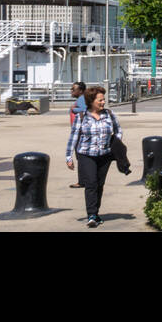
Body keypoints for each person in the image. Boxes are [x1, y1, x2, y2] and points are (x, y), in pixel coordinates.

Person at [66, 85, 121, 228]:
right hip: (86, 154)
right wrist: (68, 156)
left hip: (105, 155)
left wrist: (116, 143)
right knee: (91, 183)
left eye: (104, 100)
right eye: (100, 100)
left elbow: (118, 130)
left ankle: (96, 213)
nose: (103, 103)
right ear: (91, 101)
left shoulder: (109, 114)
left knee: (99, 184)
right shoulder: (81, 117)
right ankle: (91, 215)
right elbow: (73, 136)